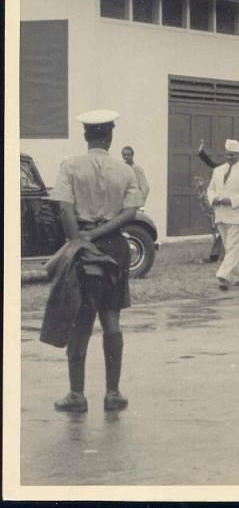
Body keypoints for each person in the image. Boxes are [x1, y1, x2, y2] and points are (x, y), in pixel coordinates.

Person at [49, 109, 143, 412]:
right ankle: (113, 393)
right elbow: (130, 213)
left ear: (85, 135)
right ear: (110, 136)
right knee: (112, 317)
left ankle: (77, 395)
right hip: (115, 247)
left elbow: (64, 209)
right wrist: (102, 232)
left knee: (81, 319)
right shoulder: (125, 171)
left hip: (81, 246)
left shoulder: (70, 166)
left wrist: (80, 239)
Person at [197, 140, 239, 262]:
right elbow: (215, 165)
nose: (229, 158)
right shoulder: (227, 168)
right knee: (238, 234)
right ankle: (221, 256)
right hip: (229, 209)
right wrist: (202, 153)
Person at [207, 139, 239, 290]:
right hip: (221, 214)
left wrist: (231, 200)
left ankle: (223, 275)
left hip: (237, 214)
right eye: (227, 154)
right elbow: (210, 189)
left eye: (232, 155)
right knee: (231, 246)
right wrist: (213, 199)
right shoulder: (218, 170)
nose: (229, 158)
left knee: (234, 246)